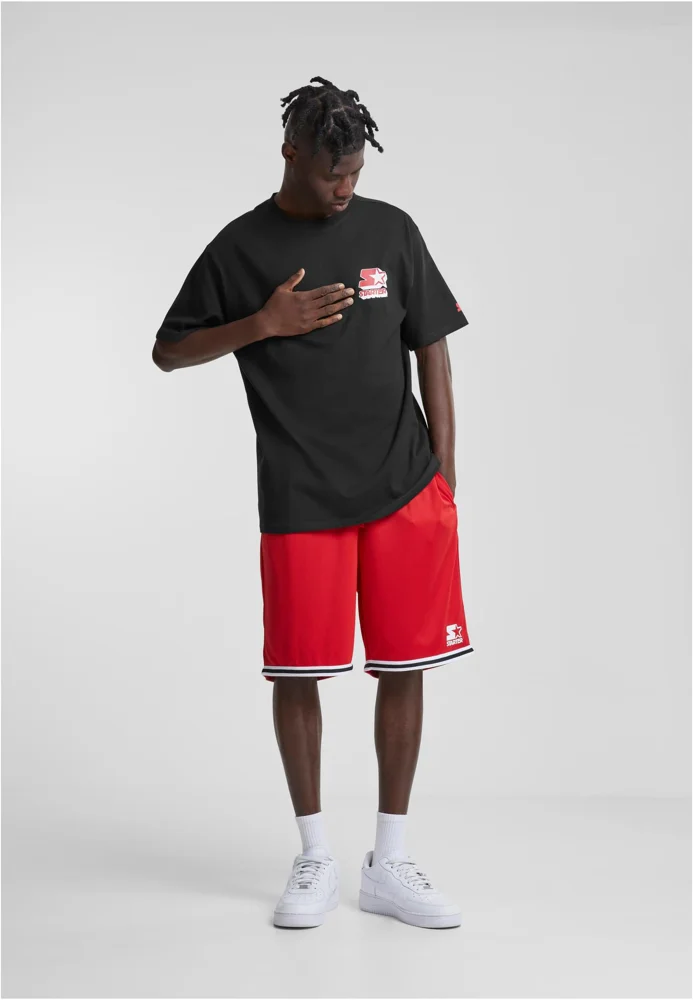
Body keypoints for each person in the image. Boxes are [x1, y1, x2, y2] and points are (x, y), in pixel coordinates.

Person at [152, 76, 473, 930]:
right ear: (290, 153)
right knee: (298, 673)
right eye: (333, 172)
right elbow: (168, 351)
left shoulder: (391, 229)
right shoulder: (240, 246)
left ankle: (389, 862)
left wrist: (443, 474)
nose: (345, 187)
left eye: (356, 171)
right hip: (300, 492)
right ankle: (315, 855)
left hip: (404, 486)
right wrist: (262, 324)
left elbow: (432, 349)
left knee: (403, 665)